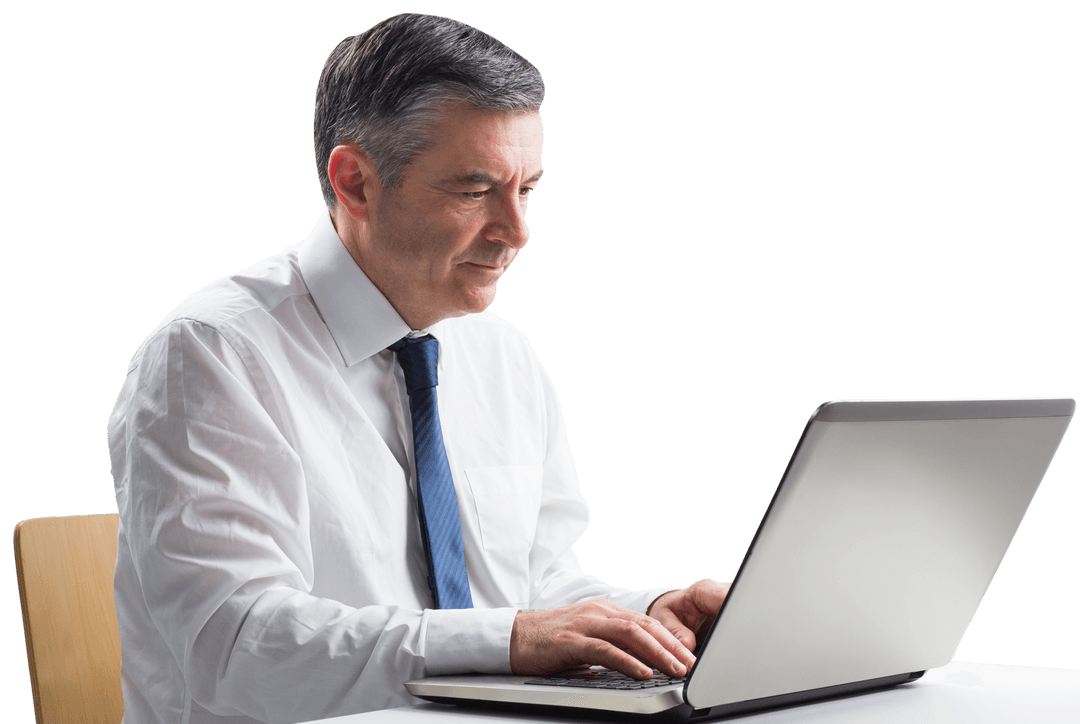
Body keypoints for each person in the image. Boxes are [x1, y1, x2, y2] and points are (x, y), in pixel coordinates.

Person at [109, 13, 729, 724]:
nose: (517, 233)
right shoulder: (210, 356)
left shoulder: (502, 355)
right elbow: (236, 649)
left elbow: (535, 587)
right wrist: (511, 638)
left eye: (526, 189)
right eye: (474, 192)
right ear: (356, 183)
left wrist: (652, 616)